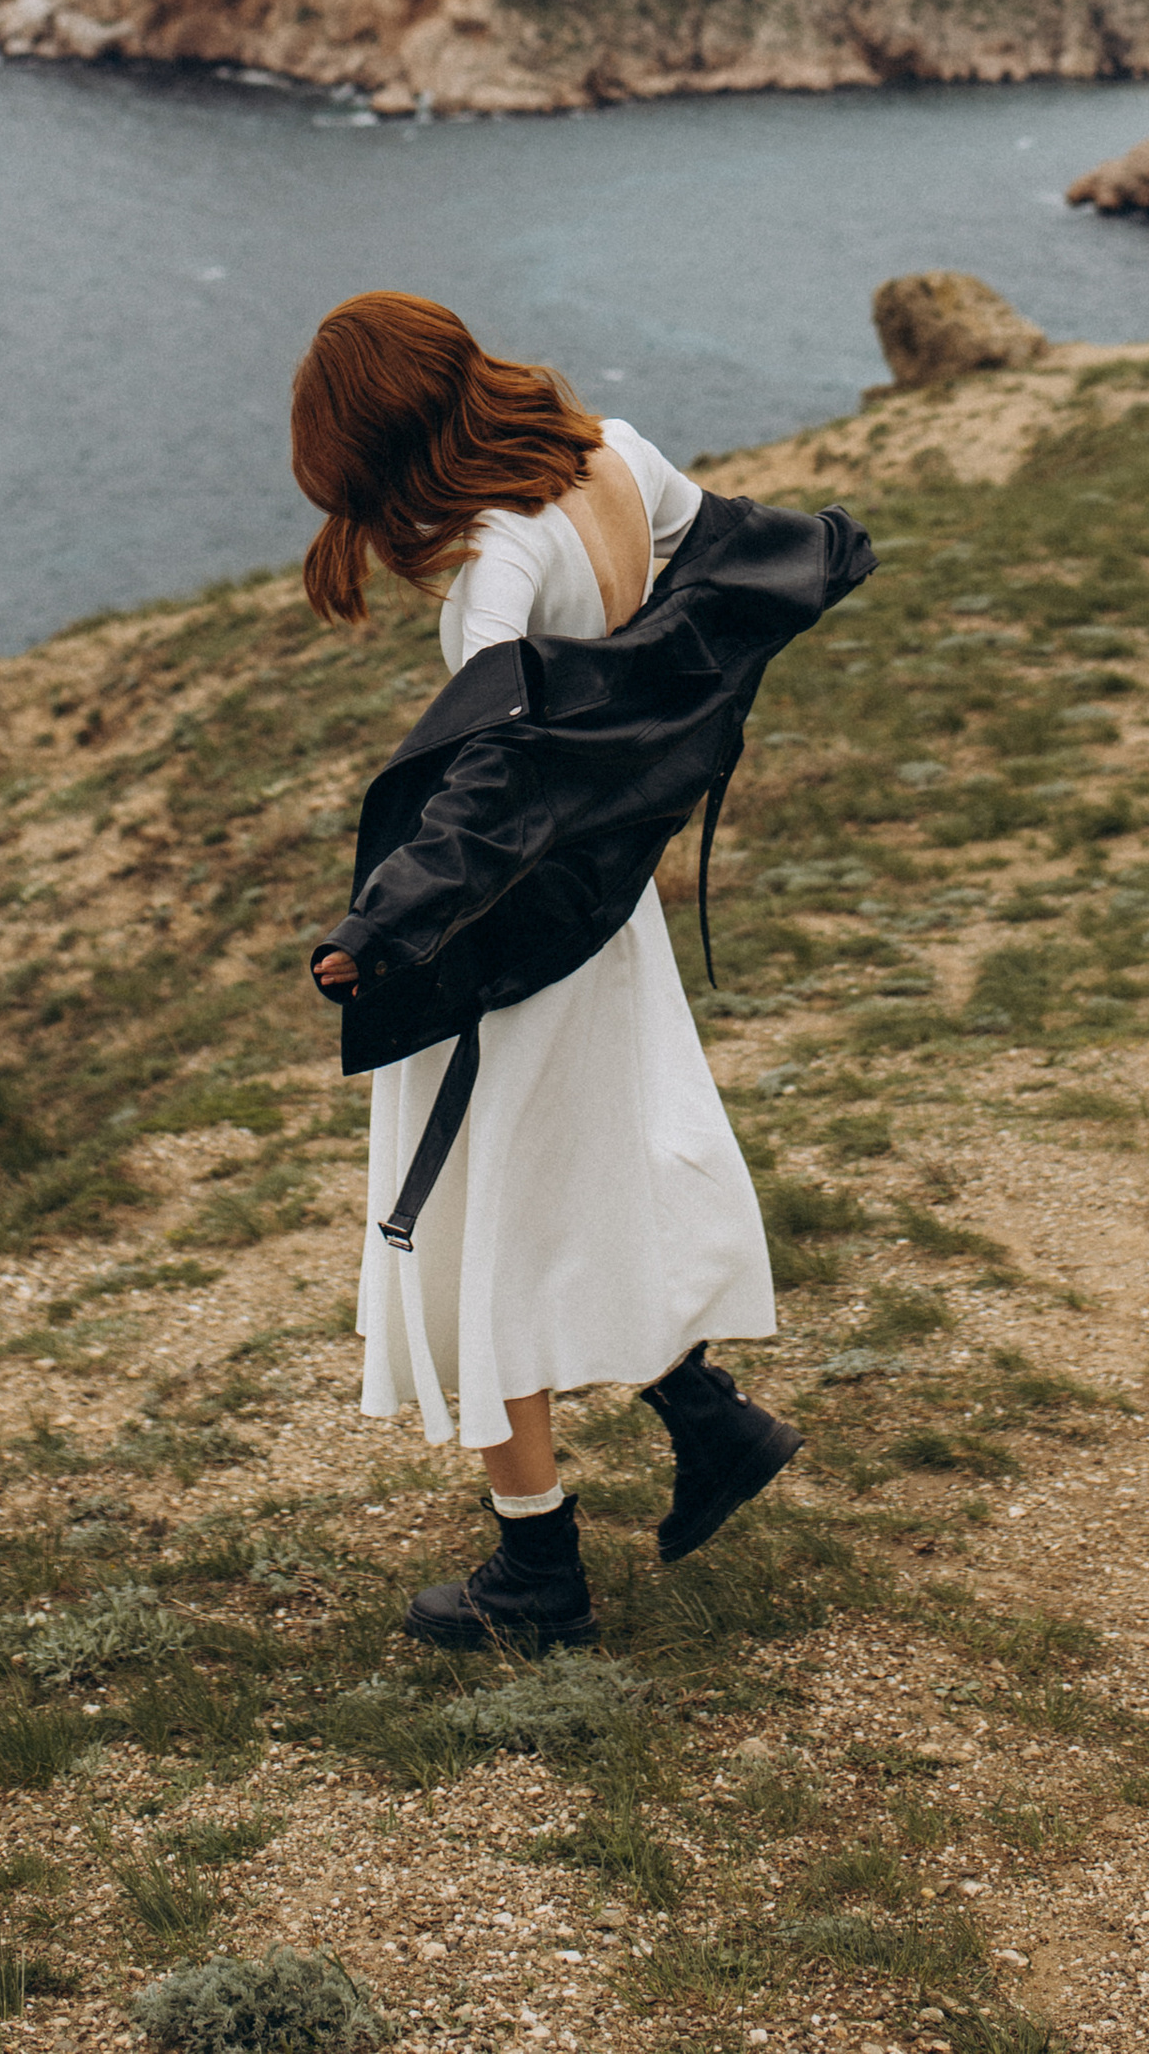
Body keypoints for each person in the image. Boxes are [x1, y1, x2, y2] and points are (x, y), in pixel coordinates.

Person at [294, 289, 868, 1656]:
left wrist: (383, 926)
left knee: (477, 1236)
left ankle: (536, 1572)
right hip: (600, 910)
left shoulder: (496, 562)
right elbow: (711, 563)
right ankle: (708, 1420)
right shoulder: (615, 453)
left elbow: (489, 771)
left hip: (499, 942)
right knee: (580, 1184)